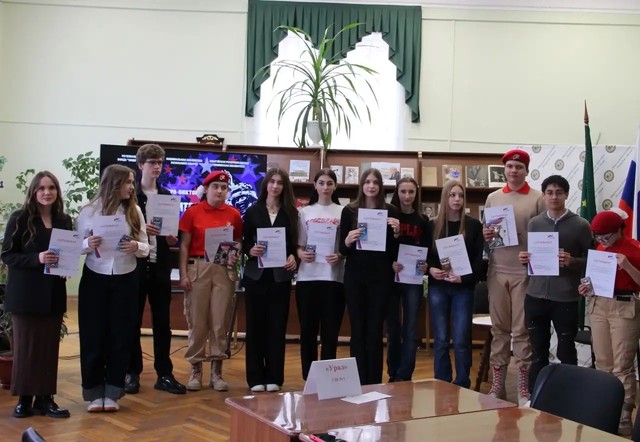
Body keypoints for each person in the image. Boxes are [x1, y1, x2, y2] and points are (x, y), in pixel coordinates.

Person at [77, 164, 149, 412]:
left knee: (121, 335)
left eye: (132, 182)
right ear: (113, 184)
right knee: (93, 334)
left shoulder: (134, 211)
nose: (131, 187)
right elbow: (76, 245)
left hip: (126, 277)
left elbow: (146, 246)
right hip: (95, 276)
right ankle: (94, 392)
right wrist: (88, 243)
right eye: (127, 182)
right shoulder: (89, 211)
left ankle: (114, 392)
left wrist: (136, 247)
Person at [1, 171, 72, 418]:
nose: (47, 192)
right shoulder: (19, 218)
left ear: (57, 192)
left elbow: (66, 253)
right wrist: (37, 258)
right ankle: (24, 399)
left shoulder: (64, 220)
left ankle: (45, 399)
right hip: (26, 294)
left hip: (53, 293)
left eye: (51, 188)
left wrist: (66, 268)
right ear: (33, 192)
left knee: (48, 349)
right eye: (41, 188)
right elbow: (7, 255)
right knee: (26, 349)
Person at [517, 175, 591, 393]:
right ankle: (535, 395)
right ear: (543, 195)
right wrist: (525, 259)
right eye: (549, 192)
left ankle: (570, 396)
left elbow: (592, 261)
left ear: (566, 195)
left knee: (566, 350)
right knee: (538, 352)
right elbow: (532, 258)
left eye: (559, 192)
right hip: (535, 296)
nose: (554, 197)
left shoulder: (581, 225)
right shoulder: (535, 223)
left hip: (565, 298)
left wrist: (572, 261)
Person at [483, 149, 544, 405]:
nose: (514, 170)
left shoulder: (537, 198)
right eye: (510, 166)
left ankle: (523, 387)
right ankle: (497, 384)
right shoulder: (493, 198)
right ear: (504, 170)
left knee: (521, 331)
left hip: (524, 273)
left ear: (526, 170)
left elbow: (544, 237)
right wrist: (487, 236)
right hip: (497, 271)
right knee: (499, 330)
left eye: (519, 167)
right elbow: (488, 235)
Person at [125, 144, 186, 395]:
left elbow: (173, 236)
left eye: (160, 162)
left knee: (162, 322)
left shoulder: (167, 195)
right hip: (135, 265)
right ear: (141, 165)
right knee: (132, 320)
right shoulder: (130, 195)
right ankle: (132, 372)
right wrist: (141, 230)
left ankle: (164, 373)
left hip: (160, 266)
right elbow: (122, 231)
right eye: (152, 162)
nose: (157, 167)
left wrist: (172, 239)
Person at [178, 170, 242, 392]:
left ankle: (217, 370)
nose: (220, 191)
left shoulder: (234, 214)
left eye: (224, 188)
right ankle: (196, 369)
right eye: (215, 187)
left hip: (223, 269)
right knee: (198, 321)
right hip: (198, 268)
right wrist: (183, 274)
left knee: (219, 321)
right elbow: (184, 245)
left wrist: (236, 252)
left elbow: (238, 241)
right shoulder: (193, 212)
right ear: (206, 189)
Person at [579, 210, 640, 436]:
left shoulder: (634, 249)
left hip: (624, 306)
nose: (602, 241)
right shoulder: (600, 248)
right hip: (599, 304)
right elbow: (597, 279)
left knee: (622, 365)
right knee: (603, 362)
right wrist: (587, 287)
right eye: (598, 237)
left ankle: (624, 414)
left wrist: (628, 266)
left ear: (619, 230)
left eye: (606, 237)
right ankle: (605, 410)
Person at [339, 168, 400, 385]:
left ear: (380, 186)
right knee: (357, 329)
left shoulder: (391, 211)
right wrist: (348, 240)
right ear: (362, 185)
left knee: (375, 330)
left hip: (380, 279)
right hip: (355, 278)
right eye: (367, 182)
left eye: (375, 182)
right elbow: (342, 250)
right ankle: (357, 380)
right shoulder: (349, 211)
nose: (371, 186)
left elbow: (394, 253)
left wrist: (396, 233)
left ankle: (374, 381)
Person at [242, 168, 298, 392]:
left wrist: (294, 257)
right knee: (255, 327)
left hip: (280, 277)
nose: (275, 186)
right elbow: (245, 241)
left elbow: (295, 245)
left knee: (277, 327)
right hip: (256, 276)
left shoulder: (291, 213)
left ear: (285, 187)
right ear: (265, 184)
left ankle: (274, 376)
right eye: (272, 181)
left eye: (280, 182)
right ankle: (255, 377)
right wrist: (250, 250)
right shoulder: (253, 211)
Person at [426, 180, 484, 388]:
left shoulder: (473, 225)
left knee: (461, 339)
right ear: (445, 197)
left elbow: (478, 262)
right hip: (438, 287)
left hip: (463, 289)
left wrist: (463, 278)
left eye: (460, 195)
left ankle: (462, 382)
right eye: (452, 195)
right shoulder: (432, 225)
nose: (457, 199)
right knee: (441, 339)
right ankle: (442, 382)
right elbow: (426, 257)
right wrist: (431, 270)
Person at [296, 169, 345, 380]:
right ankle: (309, 377)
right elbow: (299, 244)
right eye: (322, 183)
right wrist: (301, 254)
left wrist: (340, 255)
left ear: (335, 186)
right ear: (315, 185)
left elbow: (347, 245)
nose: (325, 187)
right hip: (308, 277)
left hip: (333, 278)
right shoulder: (304, 212)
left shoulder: (343, 212)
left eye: (329, 183)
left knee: (330, 332)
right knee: (308, 331)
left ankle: (327, 378)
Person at [386, 177, 430, 382]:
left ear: (416, 194)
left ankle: (405, 375)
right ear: (397, 192)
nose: (407, 196)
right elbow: (382, 247)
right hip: (391, 278)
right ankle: (393, 372)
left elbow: (427, 249)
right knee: (393, 328)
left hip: (413, 279)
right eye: (403, 191)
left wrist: (425, 264)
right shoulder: (389, 216)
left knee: (411, 329)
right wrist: (390, 263)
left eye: (411, 192)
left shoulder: (422, 220)